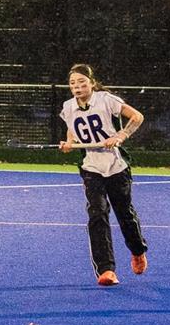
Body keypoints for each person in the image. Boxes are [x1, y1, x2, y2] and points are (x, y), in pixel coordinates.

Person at [58, 64, 148, 285]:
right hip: (91, 167)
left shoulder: (106, 100)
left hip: (116, 166)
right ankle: (106, 270)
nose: (77, 86)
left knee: (124, 213)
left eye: (82, 82)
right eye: (72, 83)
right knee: (97, 214)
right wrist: (69, 142)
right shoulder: (68, 107)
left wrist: (120, 136)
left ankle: (137, 250)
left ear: (91, 83)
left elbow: (137, 117)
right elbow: (72, 128)